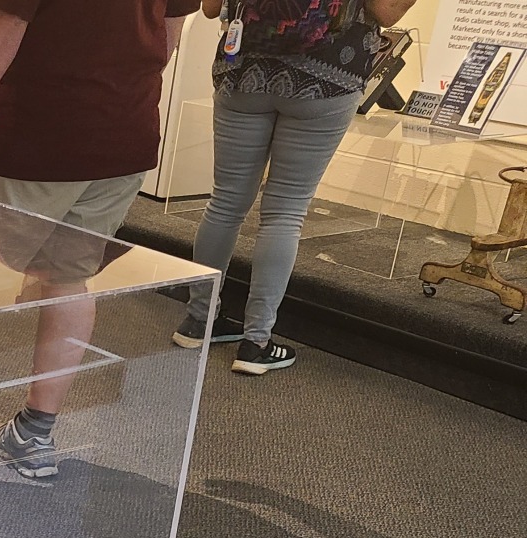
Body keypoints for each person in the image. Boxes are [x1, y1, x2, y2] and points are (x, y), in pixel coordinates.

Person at [0, 0, 198, 482]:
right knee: (69, 280)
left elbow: (7, 21)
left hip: (31, 134)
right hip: (122, 132)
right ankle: (34, 434)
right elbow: (171, 28)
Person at [174, 0, 418, 374]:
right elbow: (387, 14)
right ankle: (255, 343)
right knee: (285, 211)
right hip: (327, 73)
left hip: (243, 68)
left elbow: (210, 9)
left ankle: (198, 321)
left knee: (224, 203)